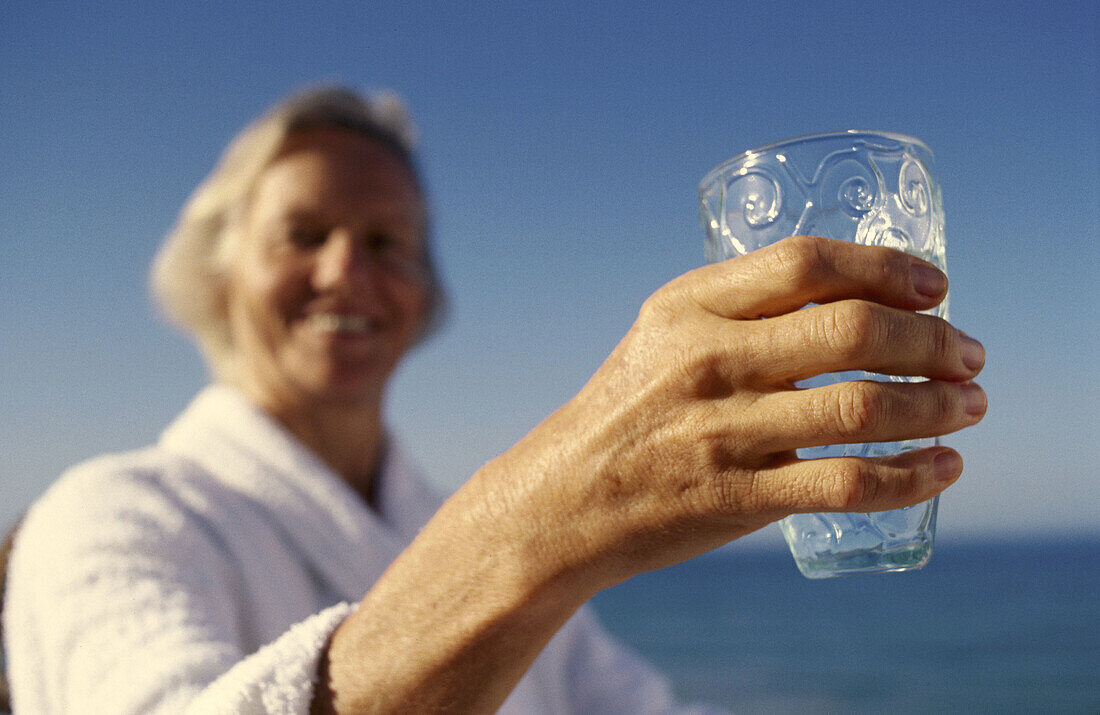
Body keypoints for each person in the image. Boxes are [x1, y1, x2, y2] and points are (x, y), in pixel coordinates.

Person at [1, 86, 986, 714]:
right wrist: (547, 523)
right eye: (302, 234)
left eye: (387, 244)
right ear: (218, 278)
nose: (347, 270)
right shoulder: (110, 515)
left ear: (423, 296)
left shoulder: (426, 518)